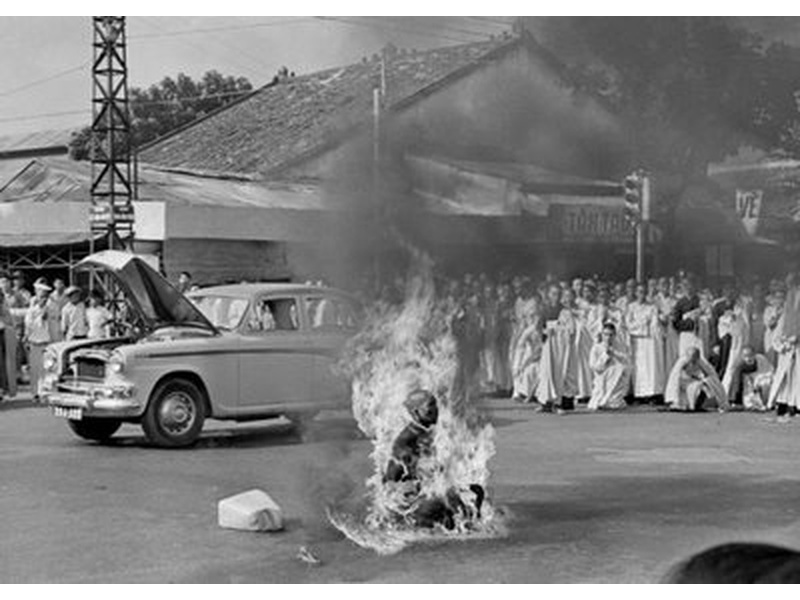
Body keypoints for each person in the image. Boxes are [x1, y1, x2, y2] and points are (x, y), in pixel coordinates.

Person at [767, 274, 800, 420]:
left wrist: (795, 336)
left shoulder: (795, 296)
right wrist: (784, 339)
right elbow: (788, 319)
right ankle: (783, 403)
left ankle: (793, 405)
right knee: (785, 373)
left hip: (795, 341)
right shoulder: (790, 298)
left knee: (796, 374)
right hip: (787, 341)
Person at [626, 282, 665, 401]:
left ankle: (651, 393)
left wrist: (643, 326)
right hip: (636, 341)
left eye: (643, 292)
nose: (641, 294)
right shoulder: (631, 307)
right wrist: (643, 324)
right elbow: (628, 324)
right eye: (639, 292)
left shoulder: (652, 307)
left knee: (650, 366)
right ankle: (639, 394)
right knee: (638, 366)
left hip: (649, 341)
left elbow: (653, 325)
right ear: (636, 293)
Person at [665, 346, 728, 412]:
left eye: (694, 359)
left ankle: (697, 405)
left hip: (695, 381)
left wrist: (706, 380)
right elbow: (674, 380)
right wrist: (674, 399)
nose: (692, 362)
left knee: (705, 385)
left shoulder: (702, 362)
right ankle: (682, 405)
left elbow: (712, 374)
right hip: (682, 383)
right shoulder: (681, 363)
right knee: (692, 389)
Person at [587, 322, 631, 411]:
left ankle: (614, 398)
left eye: (611, 335)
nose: (608, 338)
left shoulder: (620, 347)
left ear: (614, 335)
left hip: (616, 380)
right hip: (602, 379)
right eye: (606, 334)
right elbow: (594, 366)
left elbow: (627, 362)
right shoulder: (596, 348)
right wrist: (605, 356)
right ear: (602, 335)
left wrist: (614, 353)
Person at [24, 278, 52, 400]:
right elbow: (29, 325)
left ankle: (44, 392)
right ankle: (35, 393)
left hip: (47, 342)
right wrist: (39, 315)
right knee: (35, 369)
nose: (43, 299)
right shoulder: (32, 310)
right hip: (35, 342)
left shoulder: (52, 307)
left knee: (46, 370)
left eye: (45, 296)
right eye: (41, 296)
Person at [722, 346, 773, 411]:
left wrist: (759, 379)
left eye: (750, 355)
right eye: (746, 356)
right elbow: (736, 383)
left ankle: (768, 403)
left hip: (763, 379)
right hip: (749, 384)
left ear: (754, 354)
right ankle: (753, 405)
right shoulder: (740, 367)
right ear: (742, 357)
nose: (749, 358)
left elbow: (770, 371)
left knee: (766, 383)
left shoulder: (761, 359)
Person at [671, 277, 704, 358]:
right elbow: (676, 322)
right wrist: (689, 323)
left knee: (700, 358)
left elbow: (706, 316)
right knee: (685, 358)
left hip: (699, 334)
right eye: (685, 285)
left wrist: (699, 321)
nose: (688, 287)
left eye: (689, 284)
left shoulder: (700, 300)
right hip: (685, 334)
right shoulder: (680, 303)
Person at [0, 292, 18, 400]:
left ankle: (2, 390)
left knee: (3, 365)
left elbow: (11, 324)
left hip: (3, 337)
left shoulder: (5, 310)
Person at [46, 278, 68, 342]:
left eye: (61, 283)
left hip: (64, 321)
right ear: (54, 285)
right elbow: (48, 309)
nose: (60, 285)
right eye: (58, 283)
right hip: (54, 322)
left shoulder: (67, 295)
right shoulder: (51, 296)